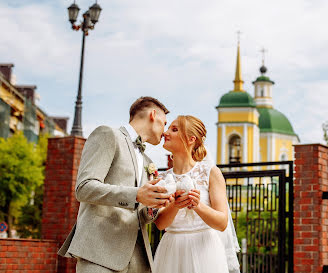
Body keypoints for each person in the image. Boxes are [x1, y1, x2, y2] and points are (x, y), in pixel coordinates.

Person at [58, 96, 172, 273]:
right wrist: (136, 194)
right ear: (153, 114)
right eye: (164, 123)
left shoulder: (148, 161)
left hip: (138, 261)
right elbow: (84, 188)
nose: (165, 131)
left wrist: (152, 206)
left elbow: (140, 213)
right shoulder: (108, 134)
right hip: (100, 253)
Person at [152, 115, 231, 273]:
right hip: (171, 250)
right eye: (168, 128)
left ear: (190, 139)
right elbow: (160, 224)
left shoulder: (211, 173)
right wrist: (175, 205)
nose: (165, 133)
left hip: (204, 250)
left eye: (174, 130)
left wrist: (198, 205)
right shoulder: (163, 178)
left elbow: (222, 223)